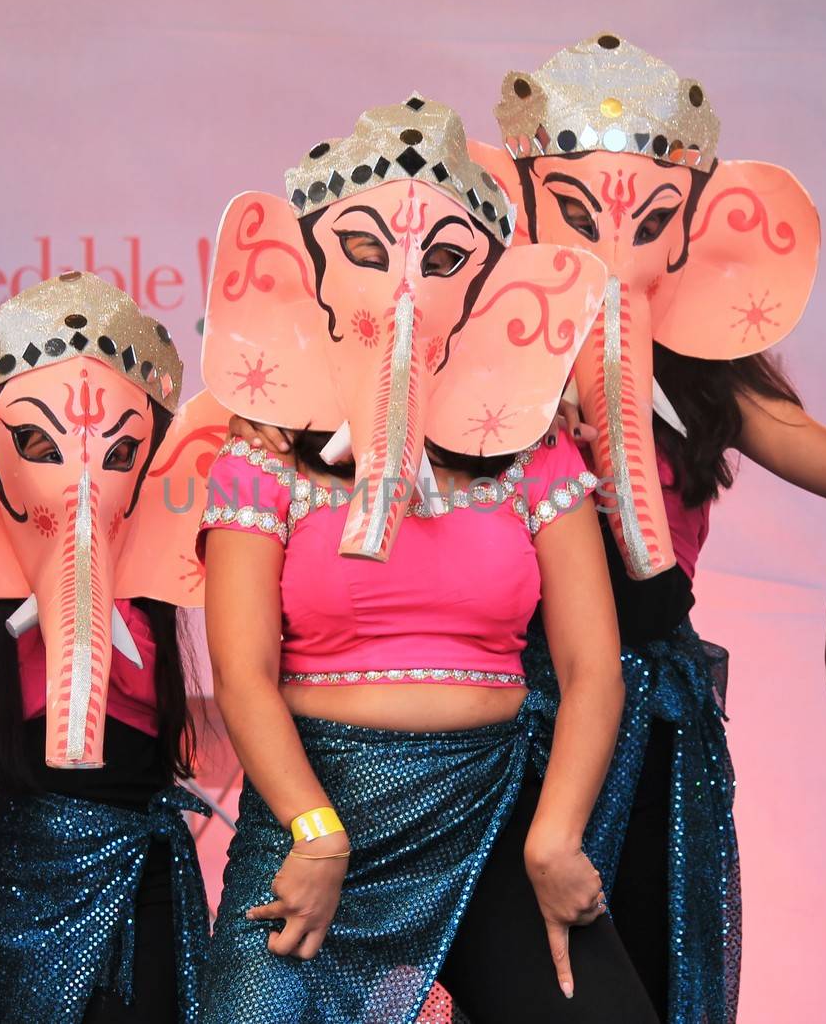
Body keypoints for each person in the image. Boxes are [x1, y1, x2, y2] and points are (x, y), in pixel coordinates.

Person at [237, 33, 826, 1022]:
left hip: (650, 700)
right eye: (575, 214)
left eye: (647, 213)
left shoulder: (702, 369)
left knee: (640, 963)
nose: (609, 247)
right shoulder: (466, 379)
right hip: (515, 710)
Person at [196, 96, 655, 1024]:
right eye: (367, 252)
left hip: (487, 810)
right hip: (315, 805)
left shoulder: (534, 456)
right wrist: (317, 834)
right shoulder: (261, 459)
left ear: (488, 289)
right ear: (314, 272)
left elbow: (589, 666)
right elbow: (241, 677)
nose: (406, 288)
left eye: (443, 260)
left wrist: (556, 834)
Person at [0, 271, 224, 1023]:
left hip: (144, 859)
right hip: (28, 867)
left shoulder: (155, 585)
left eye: (116, 453)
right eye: (39, 444)